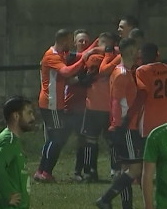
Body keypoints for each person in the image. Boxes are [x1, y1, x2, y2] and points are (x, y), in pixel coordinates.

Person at [94, 37, 143, 209]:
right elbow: (116, 101)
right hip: (127, 127)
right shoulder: (122, 73)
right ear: (129, 51)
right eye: (136, 49)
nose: (138, 52)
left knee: (126, 169)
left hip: (125, 126)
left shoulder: (124, 71)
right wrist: (118, 125)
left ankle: (127, 208)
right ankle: (105, 199)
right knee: (135, 169)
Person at [35, 29, 92, 183]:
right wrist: (83, 61)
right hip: (51, 102)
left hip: (55, 102)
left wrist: (91, 50)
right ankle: (46, 172)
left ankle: (41, 171)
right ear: (63, 40)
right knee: (56, 138)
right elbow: (66, 72)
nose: (71, 43)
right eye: (69, 40)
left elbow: (75, 58)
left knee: (54, 138)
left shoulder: (61, 54)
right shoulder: (52, 55)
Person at [77, 31, 118, 182]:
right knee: (111, 141)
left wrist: (93, 49)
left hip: (96, 107)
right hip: (108, 107)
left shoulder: (91, 56)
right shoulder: (115, 58)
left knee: (91, 141)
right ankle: (115, 170)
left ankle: (90, 171)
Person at [66, 30, 96, 181]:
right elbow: (68, 80)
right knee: (66, 138)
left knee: (85, 139)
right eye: (80, 41)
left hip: (88, 105)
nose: (84, 44)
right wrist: (81, 78)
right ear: (75, 43)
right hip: (72, 104)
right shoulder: (71, 59)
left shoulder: (93, 59)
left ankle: (84, 170)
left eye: (86, 41)